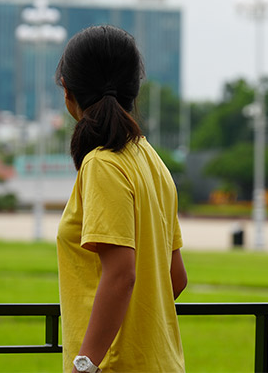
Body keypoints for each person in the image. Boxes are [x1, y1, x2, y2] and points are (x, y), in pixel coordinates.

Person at [55, 25, 186, 373]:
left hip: (113, 366)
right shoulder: (149, 158)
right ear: (134, 89)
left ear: (67, 90)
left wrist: (86, 364)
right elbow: (176, 279)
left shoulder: (102, 163)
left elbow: (121, 275)